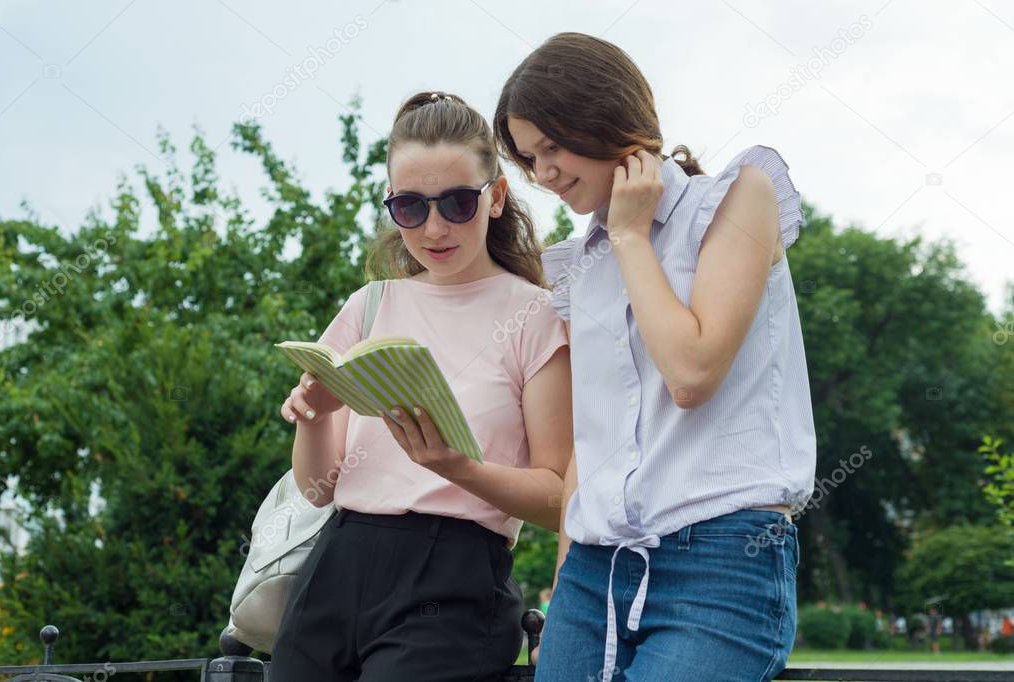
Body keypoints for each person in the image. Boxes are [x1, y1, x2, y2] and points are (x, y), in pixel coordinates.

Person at [493, 33, 816, 681]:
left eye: (551, 148)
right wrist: (563, 586)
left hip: (721, 558)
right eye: (528, 158)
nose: (542, 174)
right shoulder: (578, 264)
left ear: (604, 116)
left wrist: (631, 237)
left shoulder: (734, 199)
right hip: (590, 571)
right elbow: (592, 443)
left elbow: (691, 373)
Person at [269, 91, 573, 682]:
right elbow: (314, 490)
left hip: (454, 576)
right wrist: (311, 417)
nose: (434, 228)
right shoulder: (370, 305)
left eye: (458, 203)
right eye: (409, 207)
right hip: (337, 566)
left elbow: (561, 497)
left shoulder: (538, 315)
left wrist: (457, 468)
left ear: (497, 198)